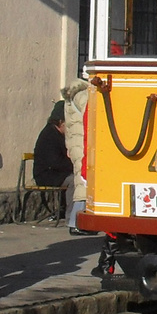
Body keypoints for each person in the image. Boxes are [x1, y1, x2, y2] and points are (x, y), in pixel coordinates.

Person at [62, 79, 91, 235]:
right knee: (82, 184)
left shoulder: (70, 98)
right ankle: (76, 222)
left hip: (75, 145)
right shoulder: (83, 95)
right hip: (83, 144)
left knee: (81, 181)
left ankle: (76, 221)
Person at [33, 102, 73, 188]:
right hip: (47, 175)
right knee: (74, 181)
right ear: (61, 122)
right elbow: (56, 162)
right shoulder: (49, 135)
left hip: (58, 173)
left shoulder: (59, 134)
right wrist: (75, 165)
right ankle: (73, 202)